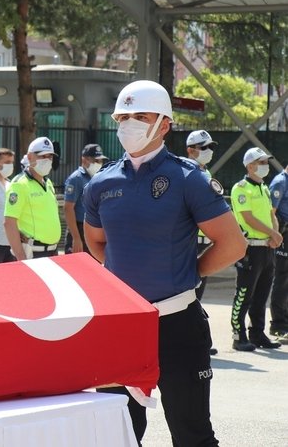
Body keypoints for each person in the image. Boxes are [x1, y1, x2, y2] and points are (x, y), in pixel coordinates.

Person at [83, 79, 246, 446]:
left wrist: (190, 271)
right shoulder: (101, 183)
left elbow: (233, 244)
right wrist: (124, 280)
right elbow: (94, 240)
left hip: (177, 325)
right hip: (121, 327)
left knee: (192, 434)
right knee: (118, 434)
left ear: (165, 124)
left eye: (140, 116)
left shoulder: (188, 178)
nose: (129, 124)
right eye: (123, 116)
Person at [229, 147, 283, 351]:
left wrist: (275, 233)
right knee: (244, 293)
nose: (265, 166)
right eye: (261, 162)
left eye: (265, 162)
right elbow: (247, 217)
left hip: (267, 248)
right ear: (249, 166)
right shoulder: (241, 188)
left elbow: (271, 214)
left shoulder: (265, 188)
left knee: (262, 294)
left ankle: (257, 333)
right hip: (250, 248)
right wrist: (273, 233)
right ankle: (238, 335)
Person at [185, 130, 221, 355]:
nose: (209, 152)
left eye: (210, 147)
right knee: (188, 295)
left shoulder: (204, 172)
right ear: (191, 150)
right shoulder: (186, 173)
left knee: (197, 295)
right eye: (204, 147)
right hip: (191, 242)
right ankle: (191, 342)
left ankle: (196, 340)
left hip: (204, 241)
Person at [4, 137, 61, 260]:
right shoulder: (19, 184)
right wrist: (20, 256)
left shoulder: (48, 182)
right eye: (42, 156)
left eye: (50, 157)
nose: (47, 160)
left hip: (52, 252)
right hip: (32, 253)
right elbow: (9, 222)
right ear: (30, 157)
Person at [63, 144, 107, 255]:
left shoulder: (97, 177)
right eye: (95, 161)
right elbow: (68, 208)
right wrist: (76, 238)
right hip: (79, 228)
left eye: (100, 161)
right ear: (85, 160)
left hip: (94, 227)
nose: (99, 164)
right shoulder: (76, 178)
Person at [269, 163, 288, 343]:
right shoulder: (280, 182)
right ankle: (278, 325)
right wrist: (275, 235)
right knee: (281, 279)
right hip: (283, 234)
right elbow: (271, 212)